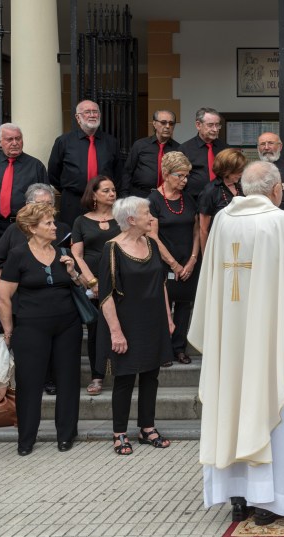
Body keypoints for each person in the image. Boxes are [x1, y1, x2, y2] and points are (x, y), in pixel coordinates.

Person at [189, 160, 284, 526]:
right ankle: (273, 501)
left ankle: (238, 497)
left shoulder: (223, 221)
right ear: (277, 190)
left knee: (231, 406)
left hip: (229, 340)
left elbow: (211, 284)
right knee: (276, 410)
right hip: (273, 340)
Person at [0, 203, 88, 456]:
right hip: (30, 327)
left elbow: (83, 287)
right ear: (32, 228)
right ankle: (26, 438)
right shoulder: (18, 254)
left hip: (67, 325)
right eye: (48, 223)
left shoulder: (62, 252)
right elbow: (4, 297)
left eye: (53, 222)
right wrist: (8, 330)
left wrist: (72, 272)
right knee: (29, 383)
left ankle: (66, 435)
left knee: (68, 380)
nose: (54, 227)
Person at [97, 197, 174, 455]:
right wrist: (116, 332)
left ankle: (147, 427)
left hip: (154, 321)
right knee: (125, 378)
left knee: (151, 375)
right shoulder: (112, 248)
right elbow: (106, 295)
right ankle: (119, 432)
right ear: (131, 220)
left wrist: (169, 318)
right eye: (146, 213)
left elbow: (161, 283)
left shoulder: (151, 243)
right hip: (127, 323)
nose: (151, 217)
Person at [0, 183, 71, 396]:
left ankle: (50, 379)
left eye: (49, 204)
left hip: (53, 302)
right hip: (18, 297)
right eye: (40, 204)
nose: (45, 209)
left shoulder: (61, 229)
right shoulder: (13, 230)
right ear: (28, 206)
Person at [148, 151, 200, 367]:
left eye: (187, 176)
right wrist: (174, 264)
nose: (184, 180)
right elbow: (152, 235)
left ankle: (179, 348)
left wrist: (193, 260)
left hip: (188, 260)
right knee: (164, 305)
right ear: (167, 174)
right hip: (164, 262)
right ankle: (163, 349)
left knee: (184, 306)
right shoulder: (153, 200)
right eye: (180, 176)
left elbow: (197, 229)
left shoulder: (188, 198)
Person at [71, 177, 120, 395]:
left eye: (114, 190)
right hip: (92, 282)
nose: (112, 194)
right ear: (94, 195)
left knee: (121, 326)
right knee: (96, 330)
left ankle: (122, 371)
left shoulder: (122, 218)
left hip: (120, 279)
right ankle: (97, 376)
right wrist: (92, 281)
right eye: (106, 190)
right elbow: (77, 255)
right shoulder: (81, 221)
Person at [0, 123, 49, 267]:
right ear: (0, 142)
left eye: (18, 139)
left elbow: (46, 199)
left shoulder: (36, 166)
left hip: (26, 227)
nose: (15, 143)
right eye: (9, 139)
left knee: (25, 267)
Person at [48, 99, 120, 228]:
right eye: (87, 112)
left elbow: (118, 172)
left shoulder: (111, 142)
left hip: (103, 202)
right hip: (73, 202)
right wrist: (72, 188)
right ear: (78, 117)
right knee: (72, 240)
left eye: (95, 112)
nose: (92, 115)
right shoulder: (63, 141)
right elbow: (53, 173)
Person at [120, 109, 180, 198]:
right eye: (163, 122)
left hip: (167, 196)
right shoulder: (140, 145)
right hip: (140, 195)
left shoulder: (178, 149)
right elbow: (128, 171)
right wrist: (124, 195)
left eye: (171, 123)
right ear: (154, 124)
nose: (167, 126)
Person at [198, 148, 245, 255]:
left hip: (242, 243)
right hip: (220, 247)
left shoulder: (242, 187)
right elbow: (203, 230)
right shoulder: (210, 191)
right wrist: (206, 257)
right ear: (227, 169)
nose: (241, 174)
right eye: (238, 170)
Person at [180, 107, 227, 201]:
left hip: (222, 200)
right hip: (194, 201)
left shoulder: (225, 149)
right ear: (198, 125)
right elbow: (179, 178)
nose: (215, 129)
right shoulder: (184, 149)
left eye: (217, 125)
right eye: (210, 125)